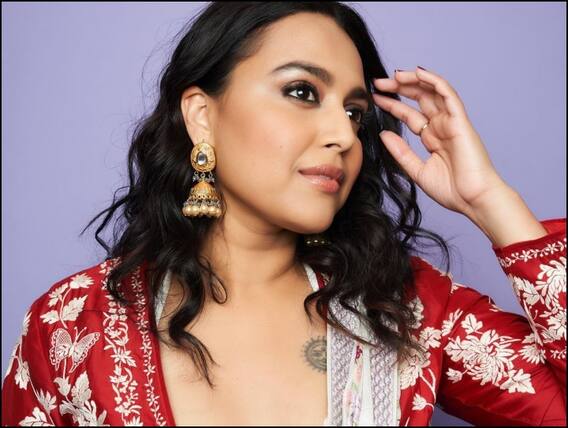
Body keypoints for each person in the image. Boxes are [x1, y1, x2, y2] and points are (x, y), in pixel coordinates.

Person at [2, 2, 565, 426]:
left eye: (355, 112)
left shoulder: (408, 309)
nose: (344, 134)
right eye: (301, 91)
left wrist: (490, 201)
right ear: (201, 116)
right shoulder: (72, 325)